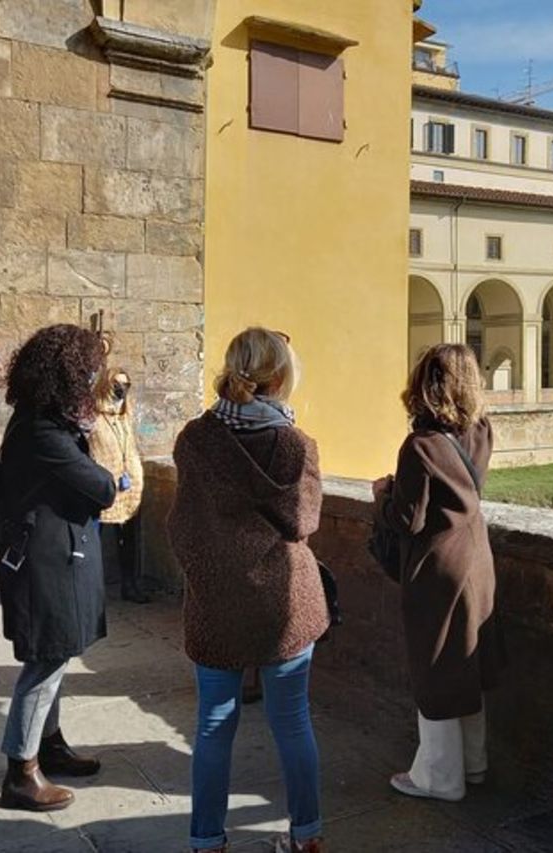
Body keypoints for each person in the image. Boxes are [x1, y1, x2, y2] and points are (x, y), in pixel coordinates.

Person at [168, 327, 327, 853]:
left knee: (213, 726)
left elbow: (183, 524)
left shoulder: (196, 439)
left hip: (217, 598)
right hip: (284, 601)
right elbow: (303, 520)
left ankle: (207, 841)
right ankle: (306, 838)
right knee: (292, 721)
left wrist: (208, 570)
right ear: (280, 375)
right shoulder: (296, 444)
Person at [0, 324, 119, 812]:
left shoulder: (43, 422)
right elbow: (104, 487)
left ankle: (49, 746)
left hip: (57, 555)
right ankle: (20, 772)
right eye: (90, 369)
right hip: (44, 563)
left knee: (58, 652)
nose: (97, 378)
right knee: (46, 660)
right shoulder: (42, 430)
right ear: (69, 374)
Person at [372, 343, 502, 803]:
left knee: (436, 667)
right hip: (477, 558)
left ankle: (439, 777)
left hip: (438, 565)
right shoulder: (481, 432)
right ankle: (475, 763)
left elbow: (407, 518)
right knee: (468, 662)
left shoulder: (420, 446)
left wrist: (382, 494)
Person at [89, 365, 150, 603]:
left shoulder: (126, 414)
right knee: (96, 539)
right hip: (104, 484)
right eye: (116, 385)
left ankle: (130, 584)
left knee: (129, 540)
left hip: (130, 485)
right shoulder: (94, 416)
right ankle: (93, 591)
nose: (121, 390)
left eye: (125, 385)